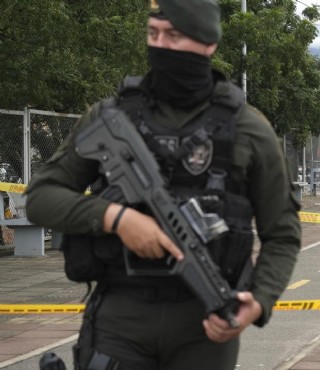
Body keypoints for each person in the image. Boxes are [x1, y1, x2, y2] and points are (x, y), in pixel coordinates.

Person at [25, 1, 301, 369]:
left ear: (209, 44)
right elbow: (41, 197)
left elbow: (282, 232)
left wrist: (260, 299)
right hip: (121, 315)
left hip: (204, 324)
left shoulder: (249, 129)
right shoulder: (112, 117)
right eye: (153, 34)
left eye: (175, 36)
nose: (161, 46)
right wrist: (115, 217)